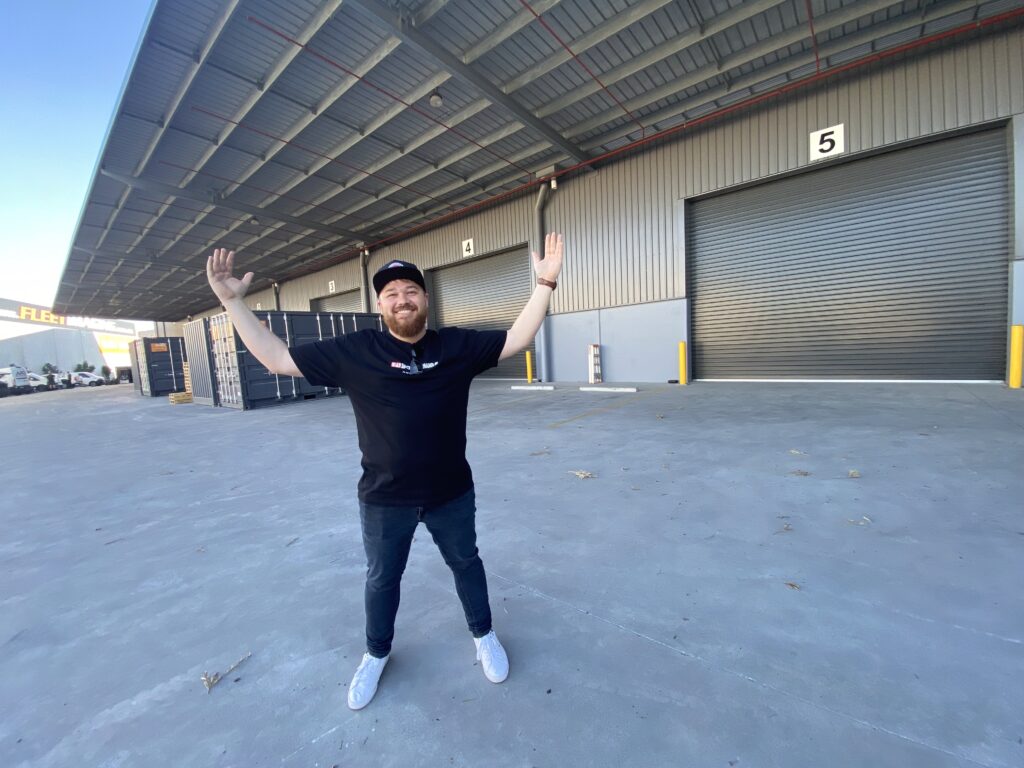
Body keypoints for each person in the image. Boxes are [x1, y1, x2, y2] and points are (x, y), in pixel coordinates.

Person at [206, 233, 564, 710]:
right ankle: (376, 654)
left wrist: (544, 283)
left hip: (451, 493)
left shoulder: (456, 346)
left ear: (426, 299)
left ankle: (484, 635)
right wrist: (233, 303)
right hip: (383, 499)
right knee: (381, 579)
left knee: (466, 563)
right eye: (391, 293)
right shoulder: (355, 351)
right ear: (380, 305)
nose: (402, 299)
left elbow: (517, 338)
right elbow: (276, 358)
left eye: (411, 290)